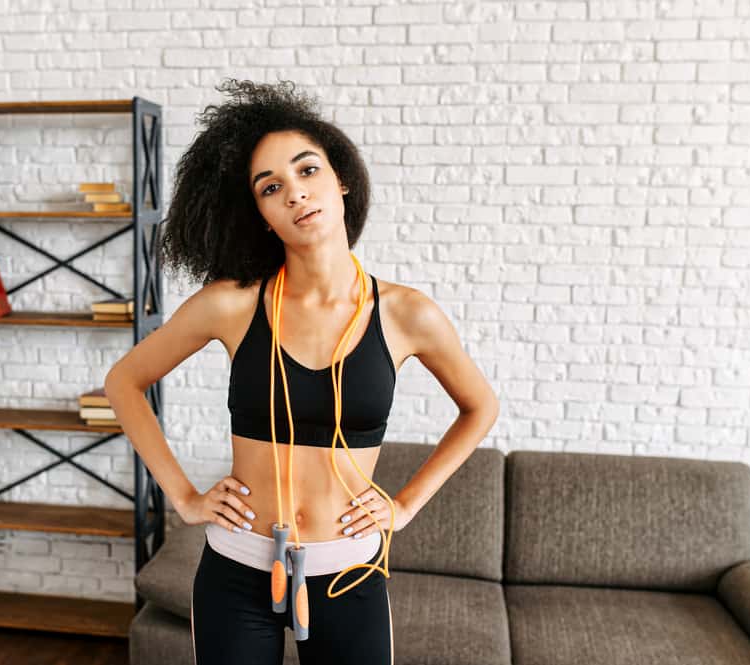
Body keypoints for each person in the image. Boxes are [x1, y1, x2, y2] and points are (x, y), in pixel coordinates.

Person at [105, 78, 499, 665]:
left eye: (307, 170)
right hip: (237, 569)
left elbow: (480, 407)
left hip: (347, 573)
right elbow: (124, 383)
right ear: (260, 214)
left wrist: (404, 505)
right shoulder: (231, 305)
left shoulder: (407, 314)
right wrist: (184, 496)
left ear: (340, 179)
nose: (294, 193)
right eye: (271, 187)